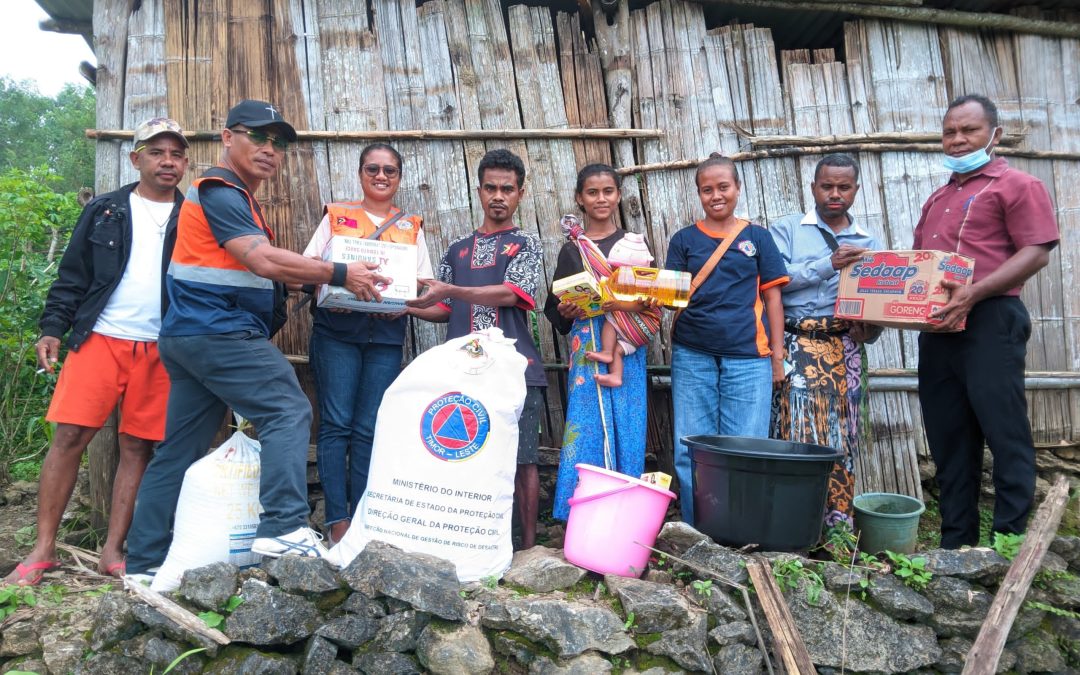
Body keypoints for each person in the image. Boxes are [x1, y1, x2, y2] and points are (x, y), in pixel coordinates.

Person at [125, 100, 389, 577]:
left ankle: (143, 564)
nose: (271, 149)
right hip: (218, 332)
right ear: (228, 138)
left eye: (279, 142)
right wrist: (340, 272)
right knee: (287, 408)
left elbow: (241, 270)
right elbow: (262, 260)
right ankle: (283, 528)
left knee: (178, 450)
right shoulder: (221, 190)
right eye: (258, 137)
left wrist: (289, 283)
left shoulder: (232, 197)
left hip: (189, 336)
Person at [3, 119, 189, 586]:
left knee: (137, 446)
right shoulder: (107, 210)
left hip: (160, 347)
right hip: (99, 339)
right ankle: (42, 550)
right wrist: (52, 329)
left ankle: (113, 550)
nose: (168, 161)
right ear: (136, 159)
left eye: (176, 154)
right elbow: (73, 274)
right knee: (69, 439)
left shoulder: (194, 216)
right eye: (156, 152)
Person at [914, 94, 1059, 549]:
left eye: (968, 131)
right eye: (949, 132)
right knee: (949, 438)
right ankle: (957, 547)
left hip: (991, 318)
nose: (957, 140)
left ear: (994, 135)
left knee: (1004, 429)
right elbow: (921, 267)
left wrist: (974, 293)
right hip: (939, 328)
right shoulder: (940, 195)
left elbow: (1037, 250)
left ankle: (1008, 543)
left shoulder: (1016, 185)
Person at [405, 148, 545, 549]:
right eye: (490, 188)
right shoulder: (456, 249)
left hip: (516, 369)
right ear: (479, 192)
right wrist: (407, 308)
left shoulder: (526, 245)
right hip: (461, 371)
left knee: (523, 459)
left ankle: (530, 548)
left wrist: (450, 290)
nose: (498, 196)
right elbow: (446, 308)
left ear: (520, 194)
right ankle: (473, 541)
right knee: (465, 454)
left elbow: (510, 294)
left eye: (507, 188)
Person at [302, 143, 432, 546]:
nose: (381, 176)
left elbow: (422, 283)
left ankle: (361, 519)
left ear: (399, 177)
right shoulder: (337, 218)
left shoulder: (411, 225)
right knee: (336, 424)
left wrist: (407, 305)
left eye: (389, 171)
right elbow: (308, 269)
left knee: (368, 429)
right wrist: (336, 284)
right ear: (360, 173)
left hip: (385, 337)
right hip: (337, 332)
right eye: (372, 169)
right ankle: (337, 521)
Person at [666, 153, 789, 526]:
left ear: (737, 188)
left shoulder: (757, 238)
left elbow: (773, 299)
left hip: (749, 358)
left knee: (745, 450)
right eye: (707, 189)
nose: (716, 195)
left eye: (723, 187)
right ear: (699, 194)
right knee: (692, 448)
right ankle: (697, 530)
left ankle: (740, 531)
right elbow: (670, 295)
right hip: (692, 355)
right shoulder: (684, 240)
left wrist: (777, 358)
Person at [769, 153, 880, 529]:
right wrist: (827, 264)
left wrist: (871, 329)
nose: (835, 194)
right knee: (794, 430)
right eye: (827, 186)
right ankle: (790, 523)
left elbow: (878, 300)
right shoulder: (785, 229)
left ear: (856, 190)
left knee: (841, 435)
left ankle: (834, 526)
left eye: (843, 187)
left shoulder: (869, 240)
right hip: (795, 344)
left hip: (844, 349)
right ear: (813, 187)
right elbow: (774, 279)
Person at [544, 164, 661, 519]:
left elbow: (653, 299)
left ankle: (622, 515)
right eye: (592, 192)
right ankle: (578, 512)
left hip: (627, 347)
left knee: (627, 420)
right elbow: (554, 310)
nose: (601, 199)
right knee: (586, 421)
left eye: (608, 191)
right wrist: (566, 310)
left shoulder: (634, 246)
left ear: (619, 195)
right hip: (586, 348)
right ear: (580, 198)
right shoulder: (572, 252)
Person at [582, 230, 655, 388]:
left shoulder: (643, 283)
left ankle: (607, 351)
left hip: (644, 325)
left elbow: (641, 305)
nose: (617, 273)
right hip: (638, 337)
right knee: (618, 351)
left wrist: (617, 305)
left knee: (610, 319)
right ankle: (616, 375)